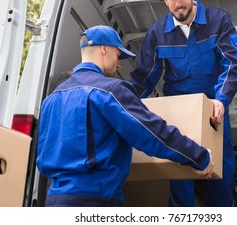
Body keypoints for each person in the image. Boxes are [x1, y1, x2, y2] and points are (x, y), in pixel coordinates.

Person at [36, 25, 214, 207]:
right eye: (117, 55)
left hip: (54, 201)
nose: (119, 63)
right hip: (95, 201)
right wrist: (199, 156)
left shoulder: (51, 99)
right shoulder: (110, 90)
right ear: (104, 49)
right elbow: (151, 133)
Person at [130, 0, 237, 207]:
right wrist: (126, 105)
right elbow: (144, 76)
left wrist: (222, 99)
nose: (178, 3)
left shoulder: (218, 21)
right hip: (178, 111)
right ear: (165, 0)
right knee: (179, 171)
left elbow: (232, 61)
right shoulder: (157, 33)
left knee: (222, 169)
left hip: (214, 108)